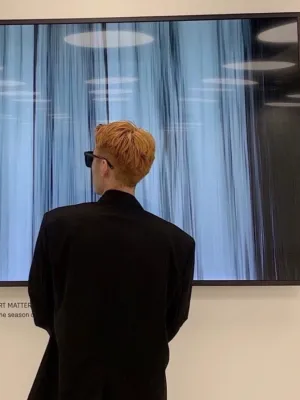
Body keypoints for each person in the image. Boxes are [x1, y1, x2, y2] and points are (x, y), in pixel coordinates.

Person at [28, 121, 195, 400]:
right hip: (143, 387)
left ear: (104, 166)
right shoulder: (178, 243)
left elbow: (41, 304)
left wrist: (73, 335)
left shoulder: (58, 225)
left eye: (90, 159)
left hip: (68, 380)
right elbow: (173, 318)